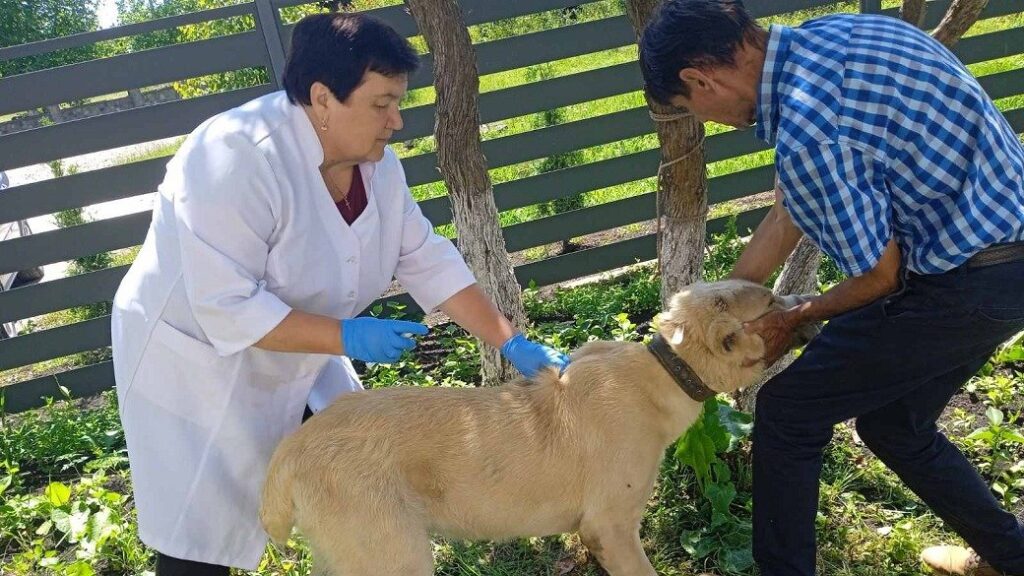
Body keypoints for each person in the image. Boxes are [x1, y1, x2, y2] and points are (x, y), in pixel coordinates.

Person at [111, 12, 568, 575]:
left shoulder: (378, 167)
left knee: (352, 480)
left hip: (302, 349)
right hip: (198, 366)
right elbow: (225, 305)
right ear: (323, 98)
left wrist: (509, 341)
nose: (396, 121)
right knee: (201, 537)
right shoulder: (234, 158)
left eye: (398, 102)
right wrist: (348, 335)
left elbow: (424, 256)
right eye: (381, 104)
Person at [639, 1, 1024, 575]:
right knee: (896, 425)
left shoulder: (809, 132)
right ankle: (1010, 556)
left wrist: (791, 319)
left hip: (970, 280)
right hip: (1006, 246)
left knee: (789, 414)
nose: (707, 121)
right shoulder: (834, 37)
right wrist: (710, 311)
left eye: (690, 108)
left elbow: (879, 277)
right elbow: (785, 216)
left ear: (700, 78)